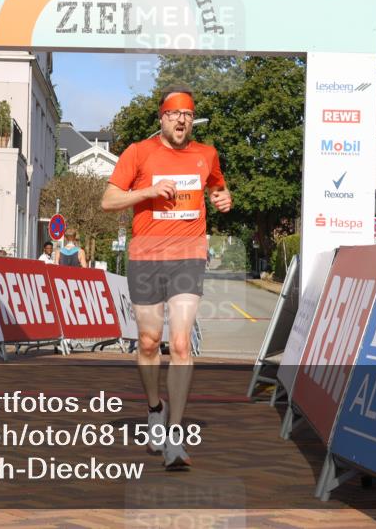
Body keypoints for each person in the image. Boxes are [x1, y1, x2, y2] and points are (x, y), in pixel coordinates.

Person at [101, 84, 231, 470]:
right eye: (174, 114)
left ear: (193, 120)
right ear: (161, 118)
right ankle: (155, 410)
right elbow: (108, 201)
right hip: (145, 256)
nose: (181, 120)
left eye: (188, 114)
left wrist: (225, 199)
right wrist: (148, 192)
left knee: (179, 343)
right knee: (148, 341)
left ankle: (174, 436)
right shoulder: (138, 152)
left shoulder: (206, 154)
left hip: (189, 256)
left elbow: (219, 189)